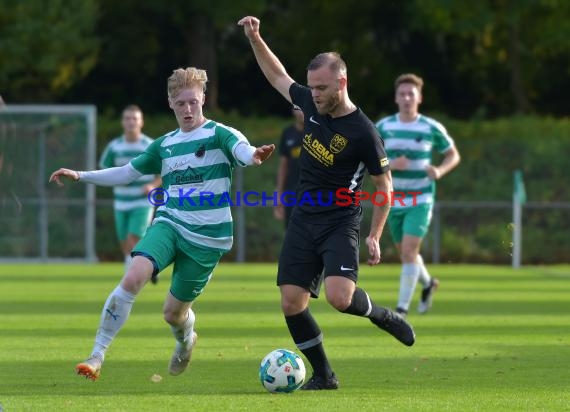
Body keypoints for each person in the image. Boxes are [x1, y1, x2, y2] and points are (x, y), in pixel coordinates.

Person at [49, 67, 275, 381]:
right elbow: (127, 172)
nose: (188, 109)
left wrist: (254, 155)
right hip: (170, 222)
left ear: (203, 100)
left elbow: (243, 150)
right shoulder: (164, 145)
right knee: (133, 277)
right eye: (180, 103)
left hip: (208, 239)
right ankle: (97, 355)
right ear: (170, 103)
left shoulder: (220, 134)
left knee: (173, 313)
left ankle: (186, 341)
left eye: (193, 102)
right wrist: (81, 175)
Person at [239, 16, 415, 391]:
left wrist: (375, 235)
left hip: (340, 221)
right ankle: (324, 375)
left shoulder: (364, 133)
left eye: (321, 88)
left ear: (341, 82)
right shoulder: (310, 103)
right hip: (303, 219)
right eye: (312, 87)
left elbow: (385, 186)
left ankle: (382, 315)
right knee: (291, 302)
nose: (314, 95)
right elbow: (278, 76)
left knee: (339, 297)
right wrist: (255, 38)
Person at [375, 73, 460, 316]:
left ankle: (401, 310)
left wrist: (440, 170)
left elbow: (452, 154)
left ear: (419, 98)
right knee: (406, 255)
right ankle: (428, 284)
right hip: (393, 199)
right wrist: (390, 164)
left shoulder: (430, 127)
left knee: (410, 252)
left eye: (411, 94)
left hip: (421, 198)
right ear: (396, 98)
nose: (406, 98)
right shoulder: (384, 127)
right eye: (402, 94)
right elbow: (370, 158)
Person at [99, 105, 161, 274]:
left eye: (135, 118)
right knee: (124, 243)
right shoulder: (114, 147)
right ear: (122, 122)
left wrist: (152, 186)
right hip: (121, 202)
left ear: (141, 122)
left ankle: (130, 279)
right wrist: (116, 180)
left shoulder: (149, 145)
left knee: (134, 237)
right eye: (127, 118)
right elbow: (104, 169)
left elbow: (163, 173)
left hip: (142, 201)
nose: (131, 122)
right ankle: (149, 266)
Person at [274, 106, 304, 228]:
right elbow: (283, 166)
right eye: (299, 109)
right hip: (291, 191)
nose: (302, 113)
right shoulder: (288, 133)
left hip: (313, 191)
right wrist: (278, 194)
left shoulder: (317, 133)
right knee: (292, 230)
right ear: (293, 111)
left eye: (305, 108)